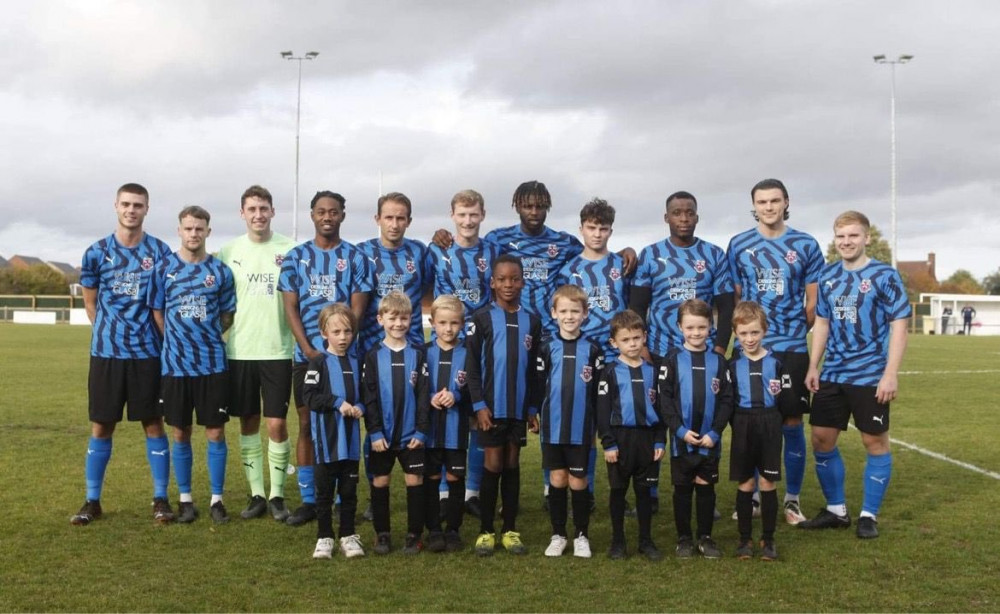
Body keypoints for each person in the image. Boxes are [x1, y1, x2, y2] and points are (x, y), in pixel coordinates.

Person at [801, 211, 910, 539]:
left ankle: (868, 515)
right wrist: (812, 365)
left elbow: (900, 325)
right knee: (821, 438)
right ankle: (836, 509)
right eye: (841, 237)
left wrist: (890, 373)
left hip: (870, 375)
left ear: (866, 238)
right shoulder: (828, 275)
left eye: (853, 236)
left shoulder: (884, 276)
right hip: (833, 373)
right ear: (834, 240)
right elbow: (822, 323)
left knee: (873, 440)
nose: (846, 242)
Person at [73, 183, 174, 526]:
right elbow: (90, 304)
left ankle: (161, 498)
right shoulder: (96, 252)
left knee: (153, 424)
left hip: (148, 354)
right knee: (102, 425)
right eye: (126, 204)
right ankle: (92, 500)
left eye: (138, 205)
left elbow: (164, 303)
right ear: (115, 206)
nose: (132, 210)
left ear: (147, 209)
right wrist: (111, 335)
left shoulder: (160, 252)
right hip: (107, 354)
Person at [725, 178, 824, 525]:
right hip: (749, 349)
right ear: (754, 205)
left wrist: (794, 332)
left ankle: (792, 500)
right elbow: (735, 298)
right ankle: (751, 497)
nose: (768, 207)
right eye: (762, 202)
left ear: (786, 202)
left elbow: (813, 302)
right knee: (749, 422)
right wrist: (747, 334)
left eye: (774, 201)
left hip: (792, 348)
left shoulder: (806, 244)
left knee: (792, 421)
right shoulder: (739, 244)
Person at [631, 191, 734, 513]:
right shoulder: (651, 255)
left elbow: (727, 306)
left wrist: (719, 346)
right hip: (661, 351)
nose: (684, 218)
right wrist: (644, 348)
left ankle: (701, 486)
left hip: (701, 354)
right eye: (677, 213)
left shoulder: (714, 255)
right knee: (655, 421)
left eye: (689, 212)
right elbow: (637, 306)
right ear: (667, 218)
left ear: (697, 217)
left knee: (698, 417)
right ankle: (649, 493)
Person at [278, 191, 371, 527]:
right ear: (312, 215)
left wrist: (339, 347)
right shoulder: (295, 257)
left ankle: (343, 497)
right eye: (321, 212)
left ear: (342, 215)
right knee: (307, 423)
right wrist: (308, 349)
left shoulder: (356, 257)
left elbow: (357, 308)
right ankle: (309, 500)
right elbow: (290, 306)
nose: (327, 217)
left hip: (345, 356)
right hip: (307, 357)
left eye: (333, 211)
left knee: (347, 421)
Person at [149, 206, 236, 524]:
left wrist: (208, 336)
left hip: (212, 365)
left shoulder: (221, 272)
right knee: (180, 432)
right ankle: (185, 499)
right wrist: (175, 338)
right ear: (179, 230)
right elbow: (158, 312)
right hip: (174, 366)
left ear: (208, 232)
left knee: (215, 432)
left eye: (199, 229)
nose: (194, 234)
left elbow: (227, 314)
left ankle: (217, 499)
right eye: (188, 228)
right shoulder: (164, 268)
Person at [217, 185, 298, 521]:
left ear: (273, 212)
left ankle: (278, 495)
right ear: (242, 213)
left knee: (277, 423)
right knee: (247, 422)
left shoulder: (290, 249)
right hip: (238, 351)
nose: (258, 215)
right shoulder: (227, 251)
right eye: (252, 209)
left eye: (264, 208)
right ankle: (256, 494)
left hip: (278, 351)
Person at [425, 189, 500, 519]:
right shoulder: (436, 250)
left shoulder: (495, 250)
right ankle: (442, 490)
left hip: (479, 344)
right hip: (444, 340)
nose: (468, 221)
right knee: (442, 411)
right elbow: (419, 285)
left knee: (475, 416)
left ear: (482, 215)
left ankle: (471, 490)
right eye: (462, 215)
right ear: (452, 215)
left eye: (474, 214)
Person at [466, 255, 542, 556]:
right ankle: (486, 530)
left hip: (518, 408)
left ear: (522, 281)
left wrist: (533, 409)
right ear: (492, 282)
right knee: (493, 465)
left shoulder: (532, 321)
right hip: (491, 408)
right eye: (502, 279)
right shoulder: (481, 318)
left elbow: (535, 370)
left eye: (514, 278)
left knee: (512, 465)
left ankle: (510, 529)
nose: (508, 284)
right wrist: (479, 405)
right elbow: (472, 366)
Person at [659, 299, 733, 559]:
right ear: (680, 327)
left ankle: (705, 537)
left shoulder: (719, 361)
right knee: (682, 489)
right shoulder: (672, 360)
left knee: (705, 488)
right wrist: (679, 431)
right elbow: (664, 400)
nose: (696, 333)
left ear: (710, 327)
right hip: (683, 441)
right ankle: (684, 539)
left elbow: (726, 400)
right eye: (690, 328)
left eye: (701, 327)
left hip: (709, 441)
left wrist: (715, 433)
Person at [361, 291, 431, 555]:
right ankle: (382, 534)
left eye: (404, 318)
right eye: (392, 318)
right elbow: (369, 396)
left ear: (411, 319)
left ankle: (414, 534)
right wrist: (375, 431)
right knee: (380, 481)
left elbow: (424, 394)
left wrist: (422, 430)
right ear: (380, 319)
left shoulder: (418, 353)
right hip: (383, 436)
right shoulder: (372, 356)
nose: (398, 324)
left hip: (412, 434)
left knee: (414, 480)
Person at [538, 285, 604, 558]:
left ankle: (581, 535)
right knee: (557, 478)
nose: (569, 316)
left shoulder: (593, 349)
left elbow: (600, 391)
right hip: (552, 428)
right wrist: (534, 415)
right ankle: (558, 534)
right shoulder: (546, 348)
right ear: (554, 313)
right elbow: (538, 386)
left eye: (575, 311)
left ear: (585, 313)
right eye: (563, 311)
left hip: (582, 428)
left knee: (578, 480)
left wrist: (598, 427)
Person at [597, 309, 665, 561]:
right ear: (614, 343)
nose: (632, 344)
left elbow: (661, 409)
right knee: (618, 491)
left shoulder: (654, 371)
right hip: (620, 440)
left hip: (646, 439)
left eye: (636, 338)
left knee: (644, 493)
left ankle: (645, 541)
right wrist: (608, 442)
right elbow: (602, 411)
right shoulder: (609, 372)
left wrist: (660, 439)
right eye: (626, 340)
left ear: (644, 337)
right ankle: (618, 541)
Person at [302, 303, 365, 559]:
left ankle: (348, 536)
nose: (342, 337)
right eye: (336, 332)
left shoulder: (357, 362)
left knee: (349, 493)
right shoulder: (318, 363)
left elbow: (366, 396)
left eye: (347, 332)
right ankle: (324, 537)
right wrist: (337, 403)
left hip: (350, 444)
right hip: (325, 444)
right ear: (323, 332)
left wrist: (360, 406)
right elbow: (309, 398)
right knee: (325, 494)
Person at [728, 301, 790, 561]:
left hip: (769, 423)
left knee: (767, 481)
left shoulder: (777, 364)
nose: (749, 338)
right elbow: (727, 402)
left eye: (754, 332)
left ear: (764, 330)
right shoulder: (731, 366)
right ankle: (744, 539)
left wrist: (775, 423)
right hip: (743, 423)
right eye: (743, 333)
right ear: (736, 334)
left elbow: (786, 401)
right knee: (745, 482)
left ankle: (768, 538)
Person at [422, 295, 472, 553]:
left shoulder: (468, 353)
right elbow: (415, 389)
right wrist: (429, 396)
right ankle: (433, 530)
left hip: (456, 429)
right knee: (430, 477)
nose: (448, 328)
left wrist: (457, 395)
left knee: (454, 476)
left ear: (462, 323)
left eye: (454, 323)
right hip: (429, 431)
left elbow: (475, 389)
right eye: (442, 323)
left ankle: (453, 529)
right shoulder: (423, 353)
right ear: (432, 323)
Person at [356, 192, 431, 357]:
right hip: (371, 348)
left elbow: (426, 289)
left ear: (409, 221)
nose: (394, 225)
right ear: (378, 219)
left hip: (412, 347)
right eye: (389, 218)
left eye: (400, 218)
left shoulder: (419, 251)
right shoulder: (361, 252)